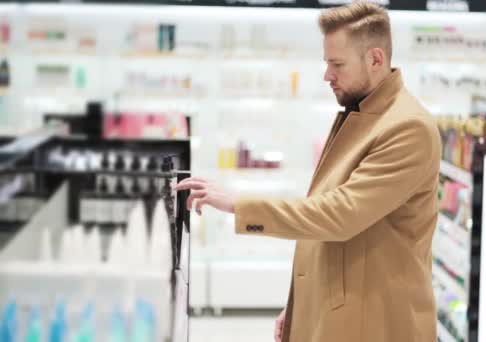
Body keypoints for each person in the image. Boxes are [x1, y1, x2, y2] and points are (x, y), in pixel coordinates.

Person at [174, 2, 441, 341]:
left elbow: (339, 215)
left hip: (375, 322)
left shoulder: (408, 128)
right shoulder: (360, 113)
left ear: (375, 59)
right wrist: (301, 303)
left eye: (337, 64)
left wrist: (239, 205)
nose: (327, 74)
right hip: (342, 310)